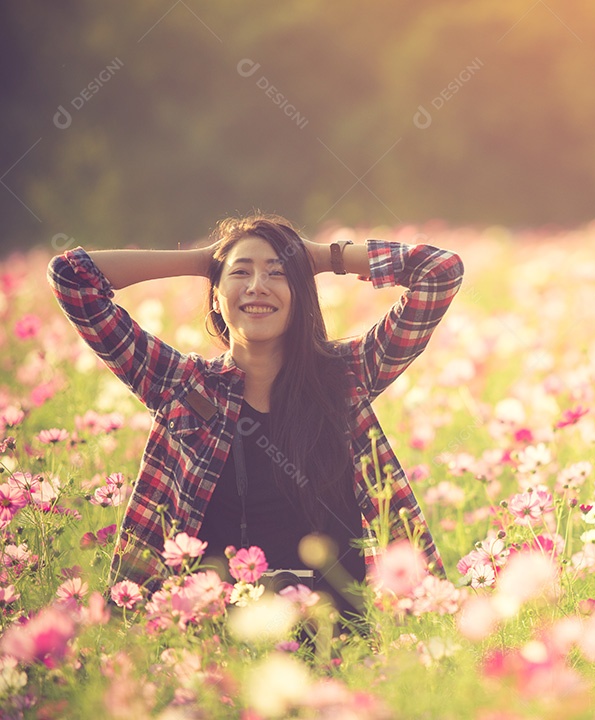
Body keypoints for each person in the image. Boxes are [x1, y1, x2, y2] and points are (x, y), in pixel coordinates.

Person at [47, 214, 463, 621]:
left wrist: (322, 257)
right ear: (215, 296)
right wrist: (205, 260)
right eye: (240, 273)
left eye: (277, 273)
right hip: (219, 641)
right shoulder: (182, 387)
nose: (257, 286)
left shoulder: (347, 375)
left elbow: (440, 272)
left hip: (343, 639)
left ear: (301, 293)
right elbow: (72, 278)